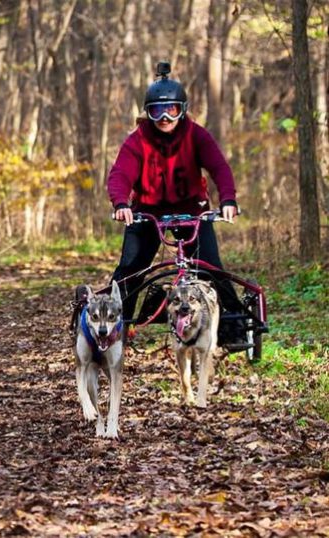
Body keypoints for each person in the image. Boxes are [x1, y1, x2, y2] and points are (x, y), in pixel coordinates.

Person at [107, 62, 249, 351]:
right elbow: (120, 174)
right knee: (130, 271)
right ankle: (116, 328)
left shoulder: (196, 135)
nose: (163, 118)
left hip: (192, 211)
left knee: (210, 268)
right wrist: (121, 203)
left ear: (182, 110)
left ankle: (234, 327)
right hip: (147, 212)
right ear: (147, 113)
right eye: (155, 111)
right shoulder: (138, 140)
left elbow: (219, 167)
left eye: (170, 110)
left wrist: (228, 200)